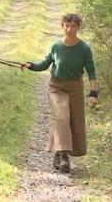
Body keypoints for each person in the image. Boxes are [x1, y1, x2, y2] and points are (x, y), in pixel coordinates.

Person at [23, 13, 98, 173]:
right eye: (67, 26)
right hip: (56, 87)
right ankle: (64, 156)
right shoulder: (56, 46)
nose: (69, 29)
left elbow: (91, 71)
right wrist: (32, 65)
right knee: (62, 117)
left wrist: (93, 93)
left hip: (76, 88)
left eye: (73, 26)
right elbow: (44, 64)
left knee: (74, 122)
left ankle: (58, 152)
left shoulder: (84, 48)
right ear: (62, 26)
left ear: (78, 27)